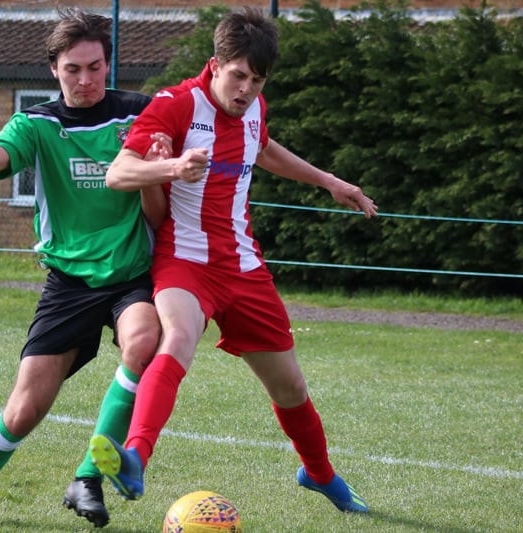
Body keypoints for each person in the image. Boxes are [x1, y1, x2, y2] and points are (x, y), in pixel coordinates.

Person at [89, 6, 378, 516]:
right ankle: (134, 457)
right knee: (175, 337)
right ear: (215, 65)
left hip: (244, 268)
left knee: (290, 386)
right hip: (184, 260)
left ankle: (320, 474)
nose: (246, 89)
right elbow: (119, 172)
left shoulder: (254, 108)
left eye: (257, 79)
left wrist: (329, 181)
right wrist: (174, 165)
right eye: (239, 76)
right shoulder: (176, 104)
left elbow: (263, 149)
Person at [0, 9, 171, 528]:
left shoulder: (138, 115)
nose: (86, 79)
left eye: (96, 67)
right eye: (73, 69)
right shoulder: (36, 123)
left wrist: (152, 168)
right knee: (24, 409)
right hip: (68, 284)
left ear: (108, 63)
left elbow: (159, 215)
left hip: (130, 276)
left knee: (144, 340)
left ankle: (86, 478)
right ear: (54, 69)